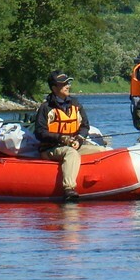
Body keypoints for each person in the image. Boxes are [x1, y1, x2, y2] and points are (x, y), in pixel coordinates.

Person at [34, 71, 107, 201]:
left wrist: (79, 139)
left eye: (68, 83)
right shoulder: (46, 108)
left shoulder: (75, 104)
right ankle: (69, 188)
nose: (67, 86)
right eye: (63, 84)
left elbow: (85, 126)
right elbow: (40, 133)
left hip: (73, 145)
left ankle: (103, 183)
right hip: (50, 149)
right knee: (71, 153)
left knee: (101, 150)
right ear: (54, 88)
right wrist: (62, 138)